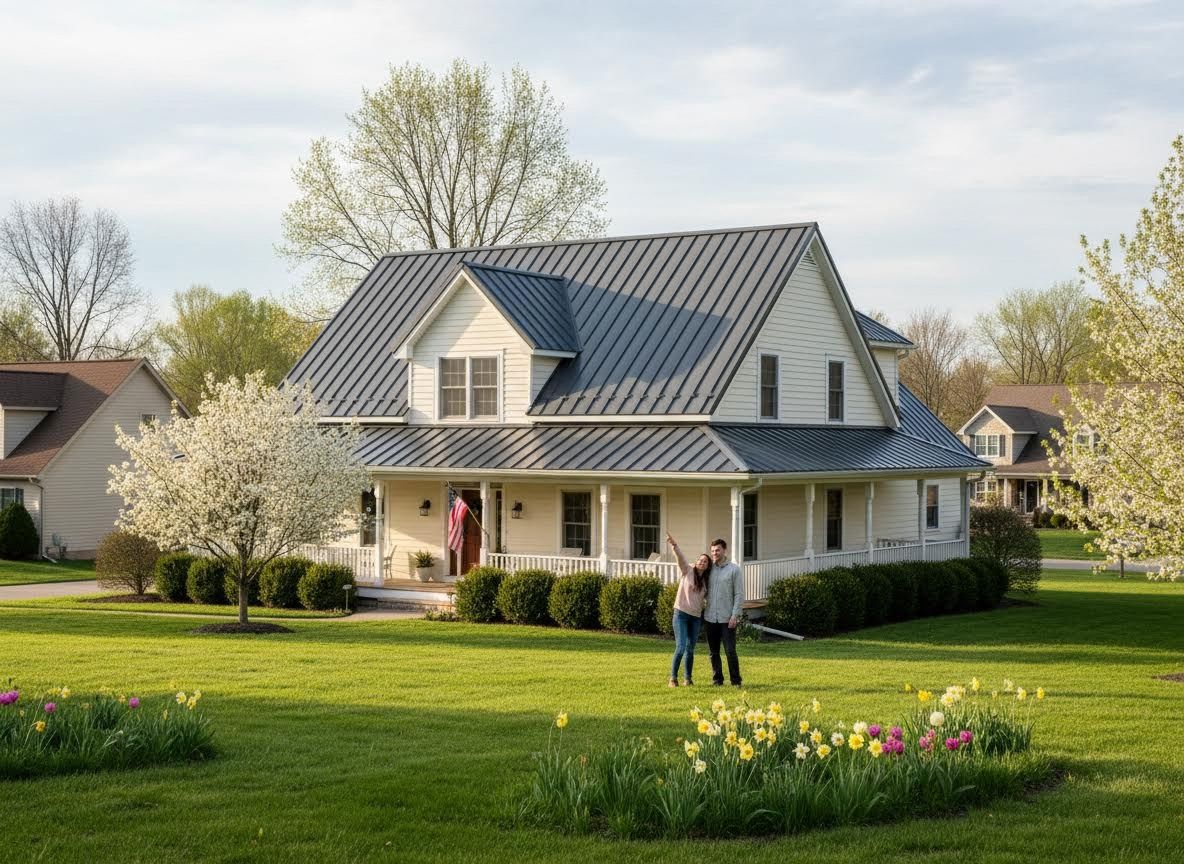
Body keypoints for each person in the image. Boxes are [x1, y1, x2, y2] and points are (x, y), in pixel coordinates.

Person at [665, 532, 710, 687]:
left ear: (708, 566)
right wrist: (674, 545)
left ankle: (688, 679)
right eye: (700, 560)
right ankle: (673, 678)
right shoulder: (687, 570)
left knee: (690, 649)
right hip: (681, 615)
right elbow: (680, 558)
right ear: (696, 561)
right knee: (681, 647)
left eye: (705, 561)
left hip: (695, 618)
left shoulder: (706, 581)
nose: (702, 562)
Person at [703, 538, 744, 687]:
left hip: (727, 619)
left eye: (717, 550)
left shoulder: (734, 570)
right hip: (710, 618)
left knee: (730, 651)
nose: (714, 553)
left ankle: (736, 681)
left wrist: (735, 616)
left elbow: (739, 595)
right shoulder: (709, 569)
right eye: (712, 551)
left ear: (724, 550)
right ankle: (717, 680)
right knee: (713, 653)